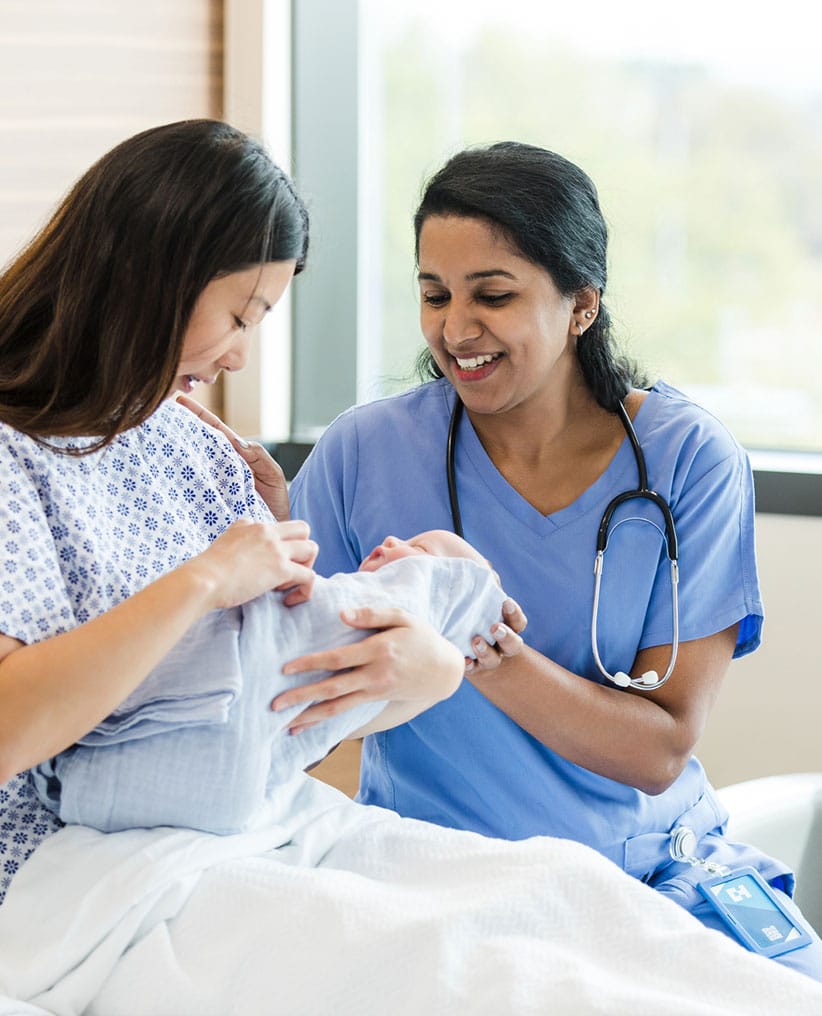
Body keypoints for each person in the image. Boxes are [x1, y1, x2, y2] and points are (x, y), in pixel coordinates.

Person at [285, 141, 822, 979]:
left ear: (581, 305)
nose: (455, 330)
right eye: (435, 294)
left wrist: (479, 643)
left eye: (493, 295)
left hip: (652, 872)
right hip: (439, 878)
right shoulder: (370, 450)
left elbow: (659, 750)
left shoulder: (688, 461)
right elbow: (285, 685)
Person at [0, 120, 473, 906]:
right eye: (243, 314)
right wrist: (205, 578)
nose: (239, 356)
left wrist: (427, 673)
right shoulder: (13, 452)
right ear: (153, 279)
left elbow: (258, 731)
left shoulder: (200, 453)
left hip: (229, 847)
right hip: (61, 882)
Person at [33, 530, 518, 835]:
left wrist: (442, 671)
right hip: (60, 798)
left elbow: (318, 717)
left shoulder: (217, 464)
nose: (394, 543)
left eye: (420, 551)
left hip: (223, 787)